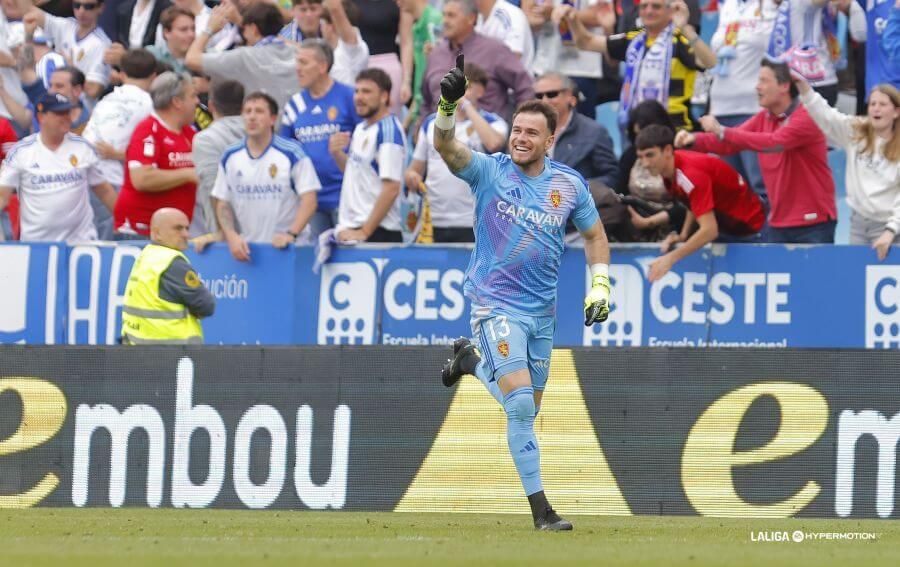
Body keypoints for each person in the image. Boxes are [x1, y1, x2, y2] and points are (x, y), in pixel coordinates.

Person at [435, 55, 611, 531]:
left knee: (527, 410)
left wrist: (599, 286)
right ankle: (542, 512)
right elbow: (448, 148)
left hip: (542, 314)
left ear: (550, 140)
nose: (519, 138)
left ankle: (470, 363)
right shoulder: (490, 172)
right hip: (495, 305)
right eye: (516, 130)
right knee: (517, 405)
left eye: (531, 133)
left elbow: (595, 237)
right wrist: (447, 106)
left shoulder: (568, 185)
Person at [676, 58, 837, 243]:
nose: (757, 87)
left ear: (784, 86)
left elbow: (774, 142)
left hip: (813, 224)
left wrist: (722, 131)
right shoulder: (763, 118)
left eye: (763, 81)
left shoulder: (807, 115)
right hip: (778, 224)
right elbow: (729, 143)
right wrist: (694, 140)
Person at [558, 0, 716, 131]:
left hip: (677, 131)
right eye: (643, 6)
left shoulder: (680, 41)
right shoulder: (633, 41)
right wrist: (572, 19)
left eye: (656, 6)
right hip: (638, 130)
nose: (649, 11)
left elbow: (709, 62)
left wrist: (685, 29)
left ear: (670, 11)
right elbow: (586, 42)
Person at [637, 124, 765, 281]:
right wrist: (684, 235)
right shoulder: (670, 171)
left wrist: (669, 259)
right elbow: (695, 202)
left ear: (668, 151)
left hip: (752, 231)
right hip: (730, 229)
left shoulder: (690, 175)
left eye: (650, 155)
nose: (645, 163)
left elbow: (710, 230)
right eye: (640, 157)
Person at [796, 78, 900, 260]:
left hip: (889, 226)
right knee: (857, 279)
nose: (876, 108)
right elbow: (827, 116)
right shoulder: (856, 132)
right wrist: (805, 89)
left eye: (883, 104)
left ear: (896, 112)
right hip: (858, 223)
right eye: (873, 103)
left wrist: (891, 230)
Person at [212, 92, 321, 261]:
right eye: (247, 111)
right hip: (250, 251)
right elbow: (222, 202)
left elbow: (309, 199)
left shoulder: (292, 153)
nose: (252, 117)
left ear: (272, 119)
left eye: (259, 111)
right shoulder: (230, 156)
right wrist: (231, 235)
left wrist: (291, 234)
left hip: (288, 249)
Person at [406, 62, 507, 243]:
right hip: (433, 219)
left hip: (475, 220)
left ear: (481, 91)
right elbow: (415, 169)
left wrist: (467, 105)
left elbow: (493, 143)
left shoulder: (494, 122)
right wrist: (412, 177)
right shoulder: (431, 123)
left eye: (466, 87)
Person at [0, 93, 117, 242]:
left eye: (67, 112)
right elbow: (2, 196)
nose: (66, 117)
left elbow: (104, 191)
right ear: (41, 117)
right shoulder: (21, 152)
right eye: (59, 113)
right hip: (36, 245)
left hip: (81, 244)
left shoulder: (83, 147)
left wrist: (125, 221)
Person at [280, 40, 361, 239]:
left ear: (323, 66)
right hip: (311, 201)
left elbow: (366, 137)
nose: (297, 69)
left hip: (347, 198)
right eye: (297, 62)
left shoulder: (349, 97)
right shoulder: (294, 104)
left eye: (304, 63)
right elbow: (285, 150)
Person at [706, 0, 777, 212]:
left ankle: (768, 240)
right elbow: (714, 60)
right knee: (730, 186)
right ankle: (740, 239)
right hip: (721, 108)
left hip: (753, 109)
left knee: (760, 186)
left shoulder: (772, 5)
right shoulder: (727, 6)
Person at [82, 48, 157, 240]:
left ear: (122, 74)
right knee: (111, 241)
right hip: (112, 180)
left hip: (83, 175)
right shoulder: (150, 106)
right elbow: (153, 151)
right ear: (154, 76)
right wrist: (118, 155)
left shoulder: (105, 100)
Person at [113, 71, 198, 238]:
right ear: (177, 102)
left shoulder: (189, 134)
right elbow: (142, 178)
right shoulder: (147, 131)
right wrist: (187, 174)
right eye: (193, 96)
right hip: (141, 231)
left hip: (174, 233)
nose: (197, 101)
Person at [421, 0, 534, 118]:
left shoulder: (493, 50)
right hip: (439, 132)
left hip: (484, 131)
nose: (445, 21)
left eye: (451, 16)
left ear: (471, 18)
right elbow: (426, 100)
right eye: (444, 15)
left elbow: (525, 86)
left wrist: (520, 123)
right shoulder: (435, 54)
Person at [330, 68, 406, 243]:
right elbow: (355, 171)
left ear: (384, 96)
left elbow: (391, 188)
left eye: (366, 91)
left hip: (378, 231)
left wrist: (365, 232)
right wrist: (336, 153)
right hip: (353, 228)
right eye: (356, 91)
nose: (359, 97)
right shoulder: (360, 128)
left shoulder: (388, 131)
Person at [121, 207, 215, 345]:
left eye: (187, 228)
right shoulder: (172, 262)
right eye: (178, 228)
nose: (185, 234)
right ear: (157, 233)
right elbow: (207, 305)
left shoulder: (145, 255)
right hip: (173, 356)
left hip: (138, 351)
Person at [185, 2, 299, 110]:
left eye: (244, 29)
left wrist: (209, 29)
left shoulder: (245, 57)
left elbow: (191, 59)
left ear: (253, 29)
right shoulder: (298, 52)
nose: (243, 33)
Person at [524, 0, 614, 119]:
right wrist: (540, 15)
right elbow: (528, 17)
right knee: (542, 124)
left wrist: (562, 13)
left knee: (581, 128)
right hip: (545, 66)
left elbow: (600, 16)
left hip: (581, 68)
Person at [534, 71, 618, 191]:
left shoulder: (594, 132)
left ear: (571, 99)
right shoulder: (526, 131)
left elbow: (612, 177)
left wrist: (577, 187)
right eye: (539, 96)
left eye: (552, 94)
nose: (544, 101)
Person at [191, 79, 245, 239]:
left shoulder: (205, 139)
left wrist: (222, 232)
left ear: (211, 105)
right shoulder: (260, 134)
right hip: (263, 229)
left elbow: (212, 186)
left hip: (224, 235)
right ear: (243, 106)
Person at [24, 1, 111, 100]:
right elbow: (28, 10)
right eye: (77, 5)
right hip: (53, 102)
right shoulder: (66, 25)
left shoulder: (102, 44)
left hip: (79, 110)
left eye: (89, 7)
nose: (81, 11)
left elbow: (93, 90)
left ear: (100, 8)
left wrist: (70, 67)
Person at [397, 0, 442, 125]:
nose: (397, 2)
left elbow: (438, 72)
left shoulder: (434, 21)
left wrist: (420, 115)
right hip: (422, 105)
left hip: (433, 109)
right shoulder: (417, 27)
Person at [320, 0, 370, 86]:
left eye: (322, 23)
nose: (320, 28)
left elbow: (335, 8)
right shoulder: (324, 50)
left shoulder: (352, 48)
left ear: (331, 25)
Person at [475, 0, 534, 68]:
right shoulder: (477, 16)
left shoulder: (511, 15)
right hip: (482, 75)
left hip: (511, 77)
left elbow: (511, 60)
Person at [146, 6, 195, 74]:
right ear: (166, 33)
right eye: (183, 29)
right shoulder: (151, 55)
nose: (191, 34)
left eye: (193, 29)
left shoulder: (202, 58)